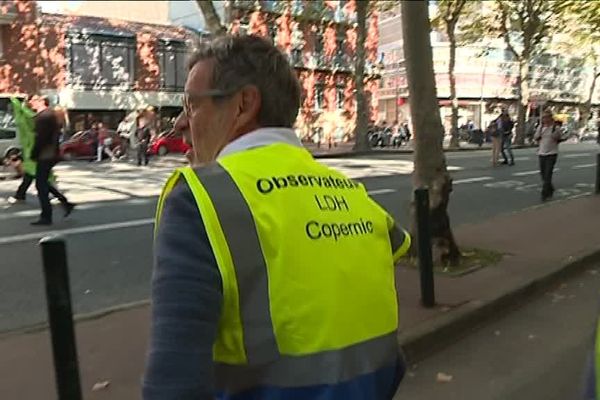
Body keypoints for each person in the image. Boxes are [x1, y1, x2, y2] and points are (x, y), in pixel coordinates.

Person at [143, 35, 411, 400]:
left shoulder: (200, 199)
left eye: (192, 105)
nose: (180, 124)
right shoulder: (354, 197)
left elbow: (172, 386)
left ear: (244, 104)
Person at [30, 99, 74, 225]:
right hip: (50, 154)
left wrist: (34, 153)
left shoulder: (45, 116)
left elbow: (41, 138)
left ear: (41, 101)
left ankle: (46, 216)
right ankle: (65, 203)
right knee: (42, 182)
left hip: (46, 154)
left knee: (40, 184)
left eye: (32, 100)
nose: (30, 103)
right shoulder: (49, 115)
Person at [534, 110, 562, 202]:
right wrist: (540, 131)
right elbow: (536, 137)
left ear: (550, 118)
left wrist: (554, 134)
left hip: (552, 153)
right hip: (541, 153)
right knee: (543, 174)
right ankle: (550, 188)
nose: (544, 119)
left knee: (548, 174)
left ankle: (544, 194)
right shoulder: (540, 127)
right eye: (543, 118)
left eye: (546, 117)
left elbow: (558, 138)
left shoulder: (555, 128)